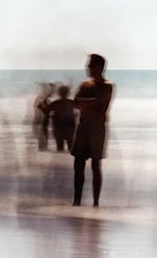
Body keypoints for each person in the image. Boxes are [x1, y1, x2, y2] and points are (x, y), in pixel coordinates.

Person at [71, 54, 114, 206]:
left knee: (96, 165)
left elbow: (102, 102)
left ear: (99, 67)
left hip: (97, 129)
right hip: (83, 127)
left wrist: (86, 103)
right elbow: (76, 102)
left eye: (90, 65)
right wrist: (91, 103)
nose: (87, 67)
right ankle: (77, 201)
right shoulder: (84, 85)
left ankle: (96, 202)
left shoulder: (108, 85)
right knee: (78, 165)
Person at [49, 84, 76, 154]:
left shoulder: (55, 103)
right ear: (68, 93)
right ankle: (68, 163)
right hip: (69, 126)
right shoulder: (72, 103)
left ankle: (60, 162)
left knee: (60, 147)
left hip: (59, 126)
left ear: (59, 93)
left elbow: (43, 109)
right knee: (71, 147)